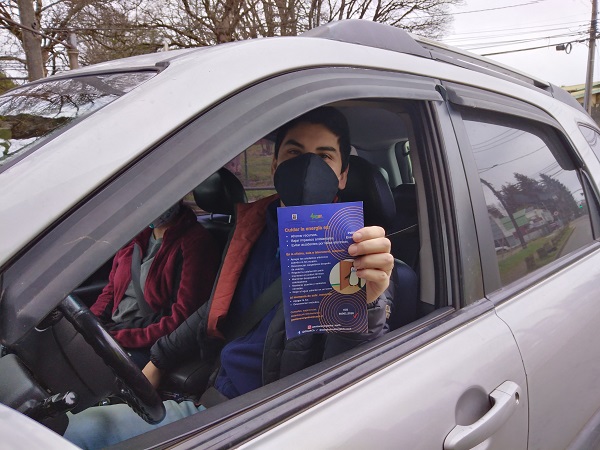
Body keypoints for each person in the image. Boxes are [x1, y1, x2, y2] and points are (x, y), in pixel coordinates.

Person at [64, 107, 394, 449]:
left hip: (275, 418)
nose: (307, 167)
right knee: (81, 430)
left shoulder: (360, 250)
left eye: (324, 156)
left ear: (342, 174)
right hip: (215, 396)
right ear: (276, 166)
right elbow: (216, 305)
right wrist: (158, 361)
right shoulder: (252, 228)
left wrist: (368, 302)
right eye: (294, 153)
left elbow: (345, 376)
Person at [90, 201, 220, 368]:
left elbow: (182, 316)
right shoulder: (135, 238)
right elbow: (111, 290)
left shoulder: (195, 244)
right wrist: (92, 324)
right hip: (115, 333)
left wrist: (113, 334)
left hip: (150, 343)